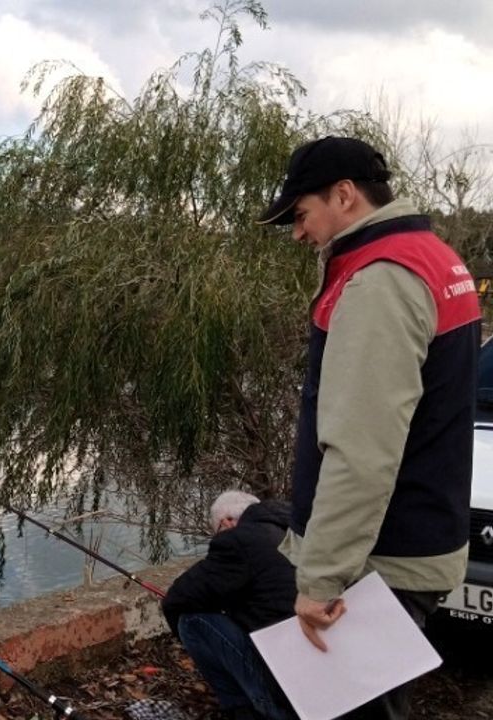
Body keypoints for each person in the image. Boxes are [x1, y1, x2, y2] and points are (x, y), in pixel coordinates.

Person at [258, 136, 482, 718]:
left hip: (381, 561)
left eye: (301, 214)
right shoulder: (435, 257)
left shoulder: (379, 280)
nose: (298, 233)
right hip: (419, 537)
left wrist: (321, 579)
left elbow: (361, 451)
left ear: (344, 195)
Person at [162, 490, 297, 720]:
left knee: (191, 621)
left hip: (285, 692)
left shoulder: (239, 541)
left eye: (216, 531)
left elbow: (178, 598)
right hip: (327, 681)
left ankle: (241, 709)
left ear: (226, 522)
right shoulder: (296, 529)